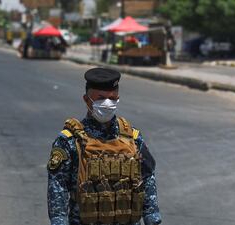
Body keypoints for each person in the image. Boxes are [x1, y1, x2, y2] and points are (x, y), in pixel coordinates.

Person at [47, 68, 162, 225]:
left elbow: (147, 176)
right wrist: (59, 220)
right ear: (87, 100)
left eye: (112, 98)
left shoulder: (132, 138)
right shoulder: (70, 140)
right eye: (100, 98)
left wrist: (151, 215)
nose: (107, 103)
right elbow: (58, 185)